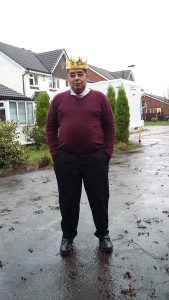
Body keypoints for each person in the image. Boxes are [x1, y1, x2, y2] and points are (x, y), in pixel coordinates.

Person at [46, 58, 115, 255]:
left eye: (80, 74)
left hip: (95, 159)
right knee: (68, 200)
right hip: (67, 160)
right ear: (67, 77)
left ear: (86, 76)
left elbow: (109, 127)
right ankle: (67, 237)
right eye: (72, 75)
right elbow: (50, 128)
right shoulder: (58, 100)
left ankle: (103, 235)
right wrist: (55, 154)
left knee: (99, 199)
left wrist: (106, 153)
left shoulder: (100, 98)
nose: (77, 78)